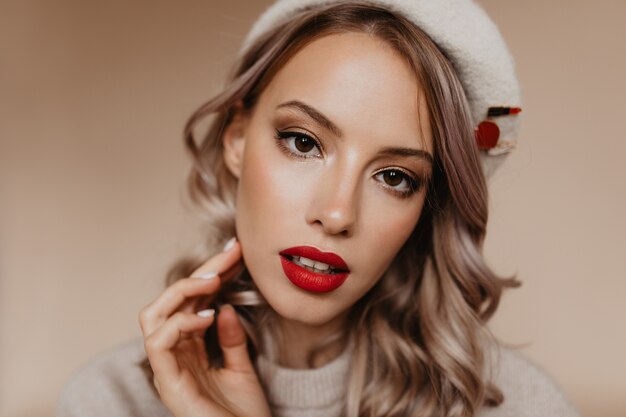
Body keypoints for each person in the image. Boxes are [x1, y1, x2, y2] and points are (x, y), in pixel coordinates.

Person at [56, 1, 581, 416]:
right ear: (236, 138)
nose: (336, 214)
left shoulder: (519, 406)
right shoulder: (112, 402)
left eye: (394, 177)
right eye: (303, 142)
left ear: (427, 205)